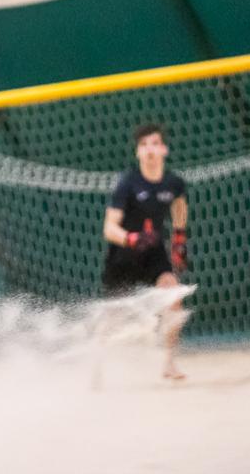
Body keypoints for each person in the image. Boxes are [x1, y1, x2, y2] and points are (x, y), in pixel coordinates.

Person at [102, 123, 190, 379]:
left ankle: (169, 364)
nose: (149, 149)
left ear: (164, 149)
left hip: (153, 252)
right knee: (112, 318)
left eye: (154, 143)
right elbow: (109, 228)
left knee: (173, 295)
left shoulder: (174, 183)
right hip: (123, 255)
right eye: (143, 145)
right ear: (137, 152)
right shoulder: (127, 183)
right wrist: (131, 238)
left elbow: (179, 206)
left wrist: (179, 238)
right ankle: (97, 367)